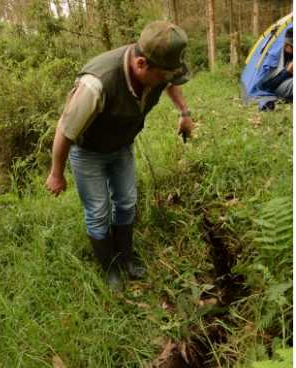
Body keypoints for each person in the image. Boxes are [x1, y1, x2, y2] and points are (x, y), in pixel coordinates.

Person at [45, 21, 194, 292]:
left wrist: (184, 112)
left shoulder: (158, 67)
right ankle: (110, 267)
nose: (167, 80)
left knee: (126, 201)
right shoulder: (96, 84)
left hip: (121, 146)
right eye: (163, 75)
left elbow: (170, 82)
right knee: (98, 211)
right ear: (141, 65)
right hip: (88, 152)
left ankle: (125, 257)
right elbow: (65, 130)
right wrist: (56, 173)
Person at [260, 28, 293, 103]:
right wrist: (287, 72)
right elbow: (266, 86)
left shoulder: (291, 54)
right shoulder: (274, 57)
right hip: (276, 87)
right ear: (287, 45)